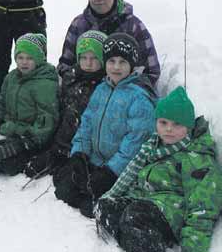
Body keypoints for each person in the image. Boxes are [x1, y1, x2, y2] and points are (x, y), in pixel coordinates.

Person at [96, 87, 222, 252]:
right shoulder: (153, 146)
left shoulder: (196, 157)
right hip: (145, 202)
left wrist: (193, 247)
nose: (169, 129)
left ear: (189, 127)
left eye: (177, 124)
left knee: (134, 215)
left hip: (170, 213)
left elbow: (203, 207)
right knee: (106, 206)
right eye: (163, 122)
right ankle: (132, 239)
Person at [53, 33, 156, 217]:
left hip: (119, 170)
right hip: (94, 161)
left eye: (122, 62)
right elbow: (86, 124)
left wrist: (111, 171)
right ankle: (91, 191)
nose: (116, 67)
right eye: (111, 61)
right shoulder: (102, 89)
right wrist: (79, 153)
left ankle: (110, 200)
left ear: (132, 65)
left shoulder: (139, 97)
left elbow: (135, 142)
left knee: (89, 205)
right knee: (64, 189)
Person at [57, 0, 160, 87]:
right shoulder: (78, 25)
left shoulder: (134, 26)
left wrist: (121, 89)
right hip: (83, 95)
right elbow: (64, 67)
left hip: (123, 96)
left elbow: (151, 72)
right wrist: (81, 80)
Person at [25, 30, 107, 177]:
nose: (88, 63)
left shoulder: (105, 86)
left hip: (85, 147)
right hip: (61, 140)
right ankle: (58, 154)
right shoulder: (71, 78)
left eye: (94, 58)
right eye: (83, 57)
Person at [0, 33, 59, 176]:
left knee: (6, 166)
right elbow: (1, 101)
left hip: (33, 138)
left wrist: (24, 141)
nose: (24, 62)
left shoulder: (45, 84)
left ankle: (26, 157)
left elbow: (47, 120)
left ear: (39, 59)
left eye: (30, 58)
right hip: (12, 130)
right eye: (20, 58)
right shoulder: (12, 77)